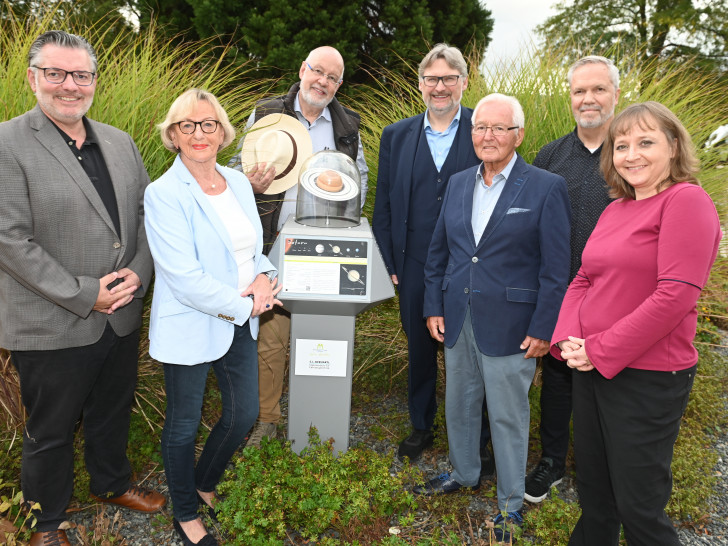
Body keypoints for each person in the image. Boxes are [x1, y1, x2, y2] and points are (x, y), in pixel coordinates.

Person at [0, 30, 165, 546]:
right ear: (33, 78)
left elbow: (144, 219)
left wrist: (140, 272)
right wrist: (82, 293)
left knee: (112, 409)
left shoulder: (119, 141)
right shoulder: (6, 142)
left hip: (120, 313)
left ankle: (111, 484)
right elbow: (10, 239)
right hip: (51, 318)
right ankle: (44, 523)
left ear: (94, 80)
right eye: (56, 73)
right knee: (50, 430)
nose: (70, 85)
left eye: (81, 75)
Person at [552, 101, 721, 545]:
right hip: (592, 369)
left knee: (638, 506)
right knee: (595, 496)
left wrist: (600, 348)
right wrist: (570, 339)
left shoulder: (686, 201)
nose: (632, 154)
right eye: (622, 145)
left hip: (647, 377)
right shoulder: (616, 209)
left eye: (646, 142)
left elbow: (675, 296)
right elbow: (585, 277)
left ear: (673, 147)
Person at [418, 94, 571, 543]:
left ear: (518, 135)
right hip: (457, 314)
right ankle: (463, 473)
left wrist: (544, 327)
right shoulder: (461, 182)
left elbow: (555, 268)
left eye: (499, 128)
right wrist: (433, 303)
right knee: (459, 403)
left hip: (514, 324)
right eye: (480, 127)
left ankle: (509, 503)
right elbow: (439, 251)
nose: (488, 136)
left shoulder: (545, 186)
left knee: (507, 415)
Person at [144, 89, 281, 545]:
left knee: (242, 415)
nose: (198, 133)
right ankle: (185, 512)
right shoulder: (163, 194)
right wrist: (249, 304)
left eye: (208, 125)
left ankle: (203, 484)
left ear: (223, 133)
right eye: (187, 125)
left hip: (239, 316)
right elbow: (184, 278)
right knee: (183, 424)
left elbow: (253, 249)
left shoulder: (238, 182)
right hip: (192, 321)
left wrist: (264, 277)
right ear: (173, 135)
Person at [228, 45, 368, 448]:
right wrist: (248, 183)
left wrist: (344, 228)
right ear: (302, 69)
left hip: (323, 247)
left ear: (339, 85)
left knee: (321, 333)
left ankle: (319, 418)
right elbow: (237, 169)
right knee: (271, 334)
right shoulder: (266, 111)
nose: (322, 81)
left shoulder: (348, 126)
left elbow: (359, 181)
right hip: (272, 242)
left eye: (332, 77)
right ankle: (267, 419)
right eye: (317, 71)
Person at [372, 43, 493, 468]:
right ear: (420, 84)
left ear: (463, 82)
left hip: (468, 268)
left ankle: (478, 437)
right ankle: (421, 425)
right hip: (413, 266)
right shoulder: (396, 135)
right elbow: (383, 205)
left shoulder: (484, 127)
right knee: (420, 352)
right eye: (431, 79)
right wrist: (390, 265)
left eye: (448, 78)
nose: (439, 87)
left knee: (472, 354)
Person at [525, 55, 620, 503]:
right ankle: (552, 462)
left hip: (617, 296)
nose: (588, 99)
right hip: (563, 292)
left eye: (598, 89)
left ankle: (600, 468)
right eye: (579, 91)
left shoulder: (630, 152)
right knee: (559, 381)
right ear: (570, 98)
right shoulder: (550, 155)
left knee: (611, 383)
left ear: (615, 94)